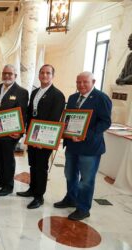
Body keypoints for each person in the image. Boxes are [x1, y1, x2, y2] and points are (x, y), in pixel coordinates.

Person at [54, 72, 112, 220]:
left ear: (93, 81)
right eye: (78, 82)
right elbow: (68, 119)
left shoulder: (101, 98)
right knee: (70, 174)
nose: (81, 85)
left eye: (85, 82)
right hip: (72, 145)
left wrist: (86, 134)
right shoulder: (73, 98)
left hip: (90, 147)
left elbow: (105, 122)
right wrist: (65, 130)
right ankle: (71, 199)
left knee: (86, 179)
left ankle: (83, 208)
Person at [16, 64, 65, 209]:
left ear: (52, 76)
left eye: (48, 73)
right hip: (32, 135)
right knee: (33, 163)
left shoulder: (58, 95)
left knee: (41, 166)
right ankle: (32, 189)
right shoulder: (35, 91)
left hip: (45, 138)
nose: (44, 75)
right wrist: (28, 133)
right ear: (39, 75)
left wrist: (41, 140)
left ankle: (39, 196)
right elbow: (31, 113)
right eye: (42, 73)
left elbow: (53, 120)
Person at [0, 64, 29, 196]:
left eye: (10, 74)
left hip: (10, 133)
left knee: (8, 159)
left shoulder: (22, 92)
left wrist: (20, 132)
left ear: (15, 76)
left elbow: (23, 114)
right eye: (5, 73)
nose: (7, 76)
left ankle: (8, 185)